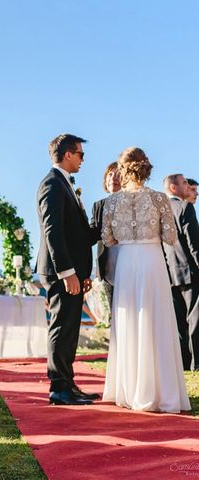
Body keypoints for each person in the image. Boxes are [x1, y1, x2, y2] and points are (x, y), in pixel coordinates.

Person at [102, 147, 190, 413]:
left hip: (127, 263)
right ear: (146, 168)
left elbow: (107, 239)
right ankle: (161, 391)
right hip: (151, 261)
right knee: (156, 321)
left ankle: (129, 390)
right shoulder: (159, 198)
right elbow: (171, 237)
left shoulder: (111, 202)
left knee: (129, 322)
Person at [35, 133, 97, 406]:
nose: (83, 160)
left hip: (73, 272)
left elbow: (77, 233)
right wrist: (67, 272)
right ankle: (58, 388)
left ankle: (68, 384)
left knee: (71, 328)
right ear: (68, 154)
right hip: (62, 272)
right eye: (81, 154)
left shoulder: (65, 184)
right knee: (61, 327)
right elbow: (53, 232)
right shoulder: (52, 184)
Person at [162, 174, 199, 371]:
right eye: (184, 183)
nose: (188, 186)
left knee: (179, 323)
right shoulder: (185, 207)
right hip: (190, 273)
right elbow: (194, 245)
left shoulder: (160, 212)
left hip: (170, 275)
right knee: (195, 319)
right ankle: (197, 363)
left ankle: (183, 363)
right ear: (173, 187)